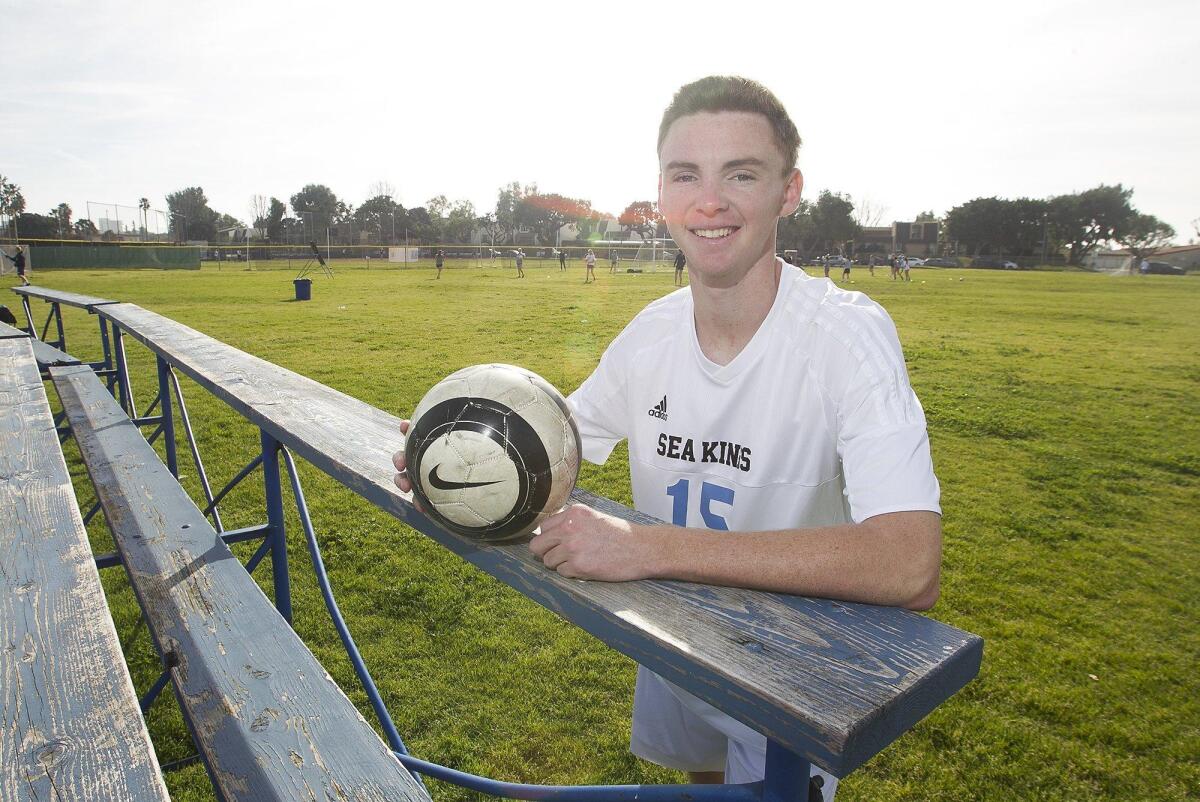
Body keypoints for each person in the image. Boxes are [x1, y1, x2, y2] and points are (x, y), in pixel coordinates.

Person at [393, 76, 940, 802]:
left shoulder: (845, 335)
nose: (708, 201)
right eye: (686, 175)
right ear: (661, 190)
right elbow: (557, 442)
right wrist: (457, 449)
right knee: (698, 781)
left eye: (740, 174)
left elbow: (908, 564)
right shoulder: (650, 333)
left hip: (787, 669)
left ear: (789, 190)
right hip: (677, 640)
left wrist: (646, 547)